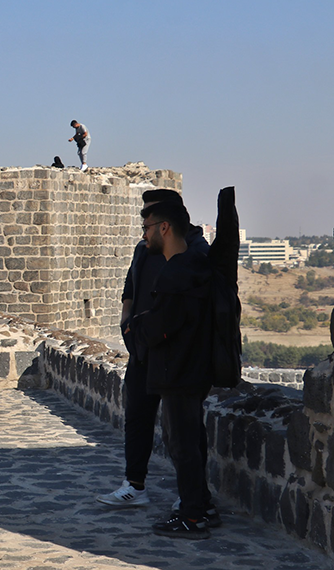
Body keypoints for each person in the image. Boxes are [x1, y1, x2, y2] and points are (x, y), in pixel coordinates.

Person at [97, 189, 213, 521]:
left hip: (178, 356)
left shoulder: (194, 252)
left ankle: (192, 500)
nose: (143, 225)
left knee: (185, 432)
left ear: (166, 221)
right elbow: (130, 289)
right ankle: (135, 485)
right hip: (144, 350)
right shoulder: (144, 250)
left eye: (148, 218)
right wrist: (127, 324)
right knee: (138, 417)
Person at [128, 199, 214, 539]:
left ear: (164, 228)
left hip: (178, 371)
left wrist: (139, 326)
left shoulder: (179, 271)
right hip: (192, 369)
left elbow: (165, 324)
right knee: (190, 442)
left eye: (147, 228)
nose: (144, 236)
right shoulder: (196, 262)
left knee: (183, 445)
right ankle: (201, 506)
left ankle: (192, 517)